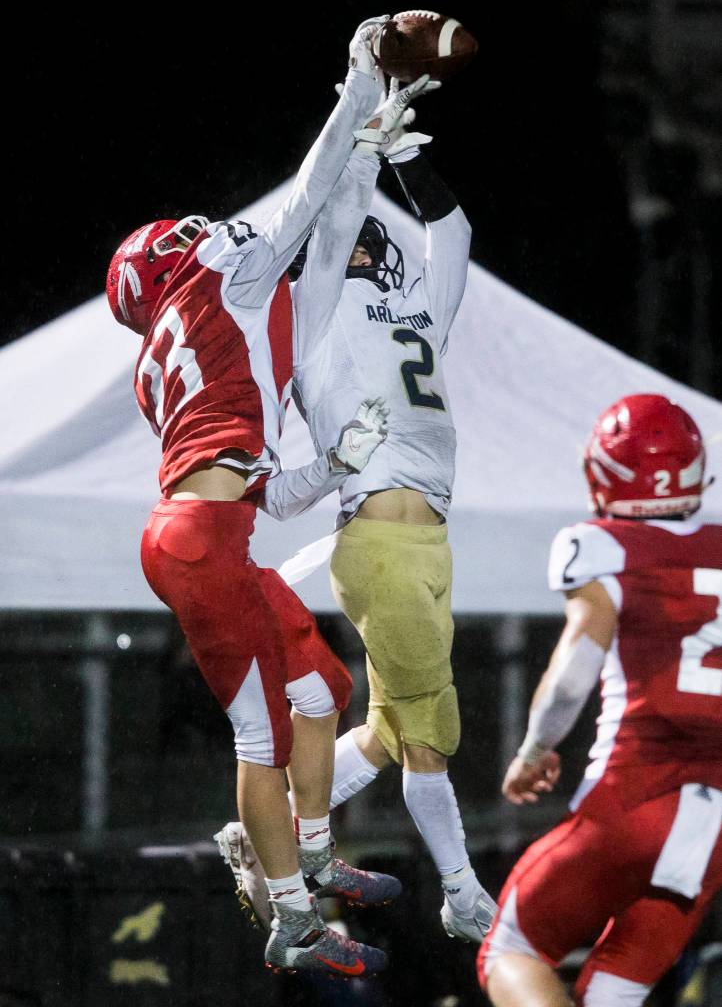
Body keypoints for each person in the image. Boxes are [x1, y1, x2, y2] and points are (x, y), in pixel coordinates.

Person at [104, 18, 430, 978]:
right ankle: (290, 910)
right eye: (184, 240)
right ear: (173, 268)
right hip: (200, 541)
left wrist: (365, 160)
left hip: (213, 534)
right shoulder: (211, 287)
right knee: (262, 728)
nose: (201, 231)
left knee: (321, 692)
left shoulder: (223, 340)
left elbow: (325, 246)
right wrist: (355, 89)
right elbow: (297, 212)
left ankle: (317, 854)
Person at [216, 82, 497, 942]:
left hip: (424, 541)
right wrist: (365, 151)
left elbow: (453, 233)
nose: (370, 252)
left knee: (385, 729)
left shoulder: (418, 310)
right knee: (431, 737)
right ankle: (462, 896)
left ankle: (251, 834)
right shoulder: (317, 321)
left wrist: (412, 161)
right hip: (380, 538)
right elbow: (333, 234)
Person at [478, 393, 722, 1007]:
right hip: (714, 821)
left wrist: (535, 748)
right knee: (614, 992)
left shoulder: (607, 545)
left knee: (510, 950)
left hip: (636, 792)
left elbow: (572, 673)